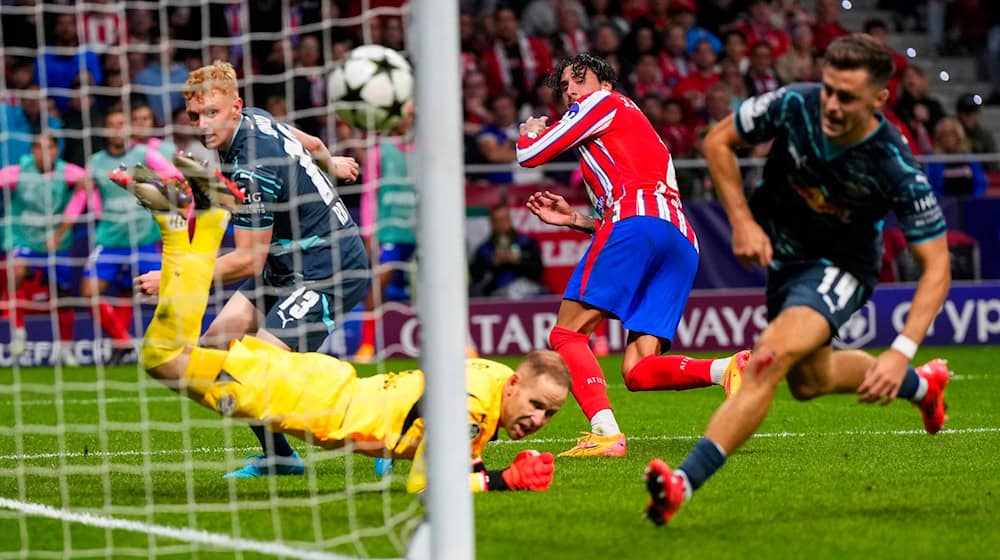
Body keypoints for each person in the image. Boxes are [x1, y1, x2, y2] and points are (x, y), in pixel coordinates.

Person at [643, 35, 952, 526]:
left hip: (841, 266)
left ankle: (681, 483)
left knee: (767, 359)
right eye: (829, 89)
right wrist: (741, 222)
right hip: (787, 260)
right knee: (811, 381)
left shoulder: (893, 162)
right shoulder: (794, 104)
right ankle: (924, 388)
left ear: (879, 99)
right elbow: (718, 140)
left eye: (846, 97)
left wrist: (901, 350)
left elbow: (937, 264)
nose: (830, 104)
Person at [113, 170, 567, 493]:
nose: (538, 420)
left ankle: (193, 222)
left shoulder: (488, 377)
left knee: (175, 353)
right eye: (538, 405)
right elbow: (428, 486)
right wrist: (504, 480)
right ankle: (190, 225)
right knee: (163, 358)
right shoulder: (473, 409)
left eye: (548, 414)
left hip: (325, 384)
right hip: (306, 399)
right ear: (513, 384)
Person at [131, 61, 367, 478]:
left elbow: (247, 260)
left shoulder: (253, 167)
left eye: (212, 113)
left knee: (259, 370)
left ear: (235, 107)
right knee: (218, 346)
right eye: (195, 116)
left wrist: (172, 279)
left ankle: (372, 434)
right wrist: (332, 165)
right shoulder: (257, 119)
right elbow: (311, 142)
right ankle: (279, 458)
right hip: (285, 264)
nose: (203, 125)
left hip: (326, 268)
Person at [517, 53, 749, 458]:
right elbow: (624, 206)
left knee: (567, 334)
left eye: (579, 80)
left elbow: (530, 156)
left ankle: (605, 432)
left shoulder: (605, 103)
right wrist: (575, 219)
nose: (571, 90)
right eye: (565, 86)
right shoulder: (631, 129)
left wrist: (529, 131)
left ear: (605, 84)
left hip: (638, 223)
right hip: (679, 238)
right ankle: (726, 368)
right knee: (638, 370)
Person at [75, 109, 185, 365]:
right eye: (111, 124)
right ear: (104, 130)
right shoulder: (96, 162)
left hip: (144, 238)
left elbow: (176, 177)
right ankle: (123, 341)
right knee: (89, 292)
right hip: (110, 239)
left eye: (121, 124)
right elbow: (85, 194)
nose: (116, 129)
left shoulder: (144, 155)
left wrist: (153, 188)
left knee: (169, 293)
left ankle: (177, 346)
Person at [1, 134, 89, 366]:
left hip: (56, 242)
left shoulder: (66, 171)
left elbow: (88, 181)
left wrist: (61, 231)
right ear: (32, 152)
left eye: (49, 148)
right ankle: (18, 331)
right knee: (15, 273)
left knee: (64, 294)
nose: (45, 153)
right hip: (24, 239)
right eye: (39, 148)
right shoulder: (18, 172)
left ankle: (65, 348)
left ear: (56, 151)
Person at [355, 109, 418, 363]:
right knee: (378, 286)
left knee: (435, 287)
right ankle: (366, 345)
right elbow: (369, 193)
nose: (406, 121)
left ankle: (460, 342)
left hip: (420, 230)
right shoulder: (380, 150)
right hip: (390, 229)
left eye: (410, 117)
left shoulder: (424, 150)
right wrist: (369, 230)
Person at [469, 204, 546, 299]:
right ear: (491, 223)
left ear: (510, 220)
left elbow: (538, 271)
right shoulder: (484, 249)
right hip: (496, 296)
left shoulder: (526, 243)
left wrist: (518, 261)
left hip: (528, 294)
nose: (501, 224)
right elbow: (476, 278)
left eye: (504, 219)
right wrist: (492, 263)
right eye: (497, 221)